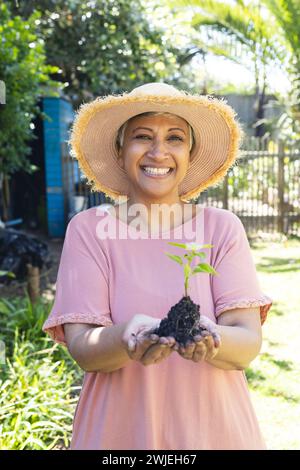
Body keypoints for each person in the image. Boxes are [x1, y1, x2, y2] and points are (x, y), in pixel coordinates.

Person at [42, 82, 273, 450]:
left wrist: (210, 336)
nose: (158, 151)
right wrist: (127, 336)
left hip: (214, 432)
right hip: (119, 435)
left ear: (190, 153)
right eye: (142, 136)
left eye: (175, 138)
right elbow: (83, 347)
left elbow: (246, 342)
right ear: (120, 152)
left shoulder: (221, 228)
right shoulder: (89, 231)